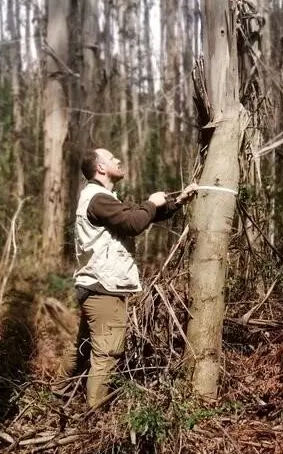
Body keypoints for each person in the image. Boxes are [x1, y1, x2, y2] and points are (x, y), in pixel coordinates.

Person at [54, 148, 197, 407]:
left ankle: (56, 397)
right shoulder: (98, 198)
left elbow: (135, 215)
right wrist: (152, 202)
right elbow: (133, 223)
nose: (118, 160)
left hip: (95, 287)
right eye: (111, 158)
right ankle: (94, 415)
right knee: (108, 354)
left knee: (82, 349)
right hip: (103, 291)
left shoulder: (101, 198)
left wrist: (177, 202)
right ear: (100, 168)